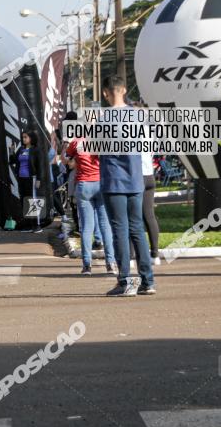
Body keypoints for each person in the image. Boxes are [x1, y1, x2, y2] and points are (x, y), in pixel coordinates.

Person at [99, 75, 155, 296]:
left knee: (119, 231)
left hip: (113, 181)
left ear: (106, 93)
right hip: (135, 180)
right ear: (124, 90)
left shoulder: (103, 120)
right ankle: (148, 281)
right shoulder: (139, 117)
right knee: (137, 229)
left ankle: (125, 282)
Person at [64, 127, 117, 276]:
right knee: (105, 226)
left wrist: (68, 152)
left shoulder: (76, 142)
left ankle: (87, 266)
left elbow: (66, 160)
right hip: (101, 184)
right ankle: (110, 263)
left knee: (86, 227)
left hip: (83, 185)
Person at [141, 151, 161, 265]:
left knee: (132, 217)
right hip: (149, 175)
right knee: (149, 216)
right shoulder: (150, 136)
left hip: (136, 176)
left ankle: (130, 257)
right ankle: (155, 254)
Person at [11, 131, 40, 201]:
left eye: (25, 137)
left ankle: (31, 212)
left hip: (30, 178)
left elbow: (39, 166)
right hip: (20, 177)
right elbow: (12, 161)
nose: (23, 139)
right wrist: (12, 151)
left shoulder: (35, 150)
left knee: (30, 198)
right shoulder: (21, 149)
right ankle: (24, 212)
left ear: (31, 138)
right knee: (22, 198)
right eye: (23, 137)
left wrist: (39, 179)